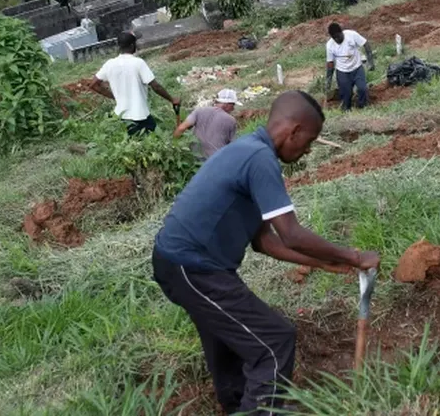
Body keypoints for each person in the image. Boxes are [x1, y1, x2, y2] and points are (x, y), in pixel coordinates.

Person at [153, 90, 380, 415]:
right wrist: (354, 257)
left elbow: (265, 241)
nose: (307, 149)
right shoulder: (259, 158)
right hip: (193, 267)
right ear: (294, 131)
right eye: (309, 140)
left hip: (181, 264)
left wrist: (325, 263)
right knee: (275, 341)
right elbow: (291, 233)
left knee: (228, 341)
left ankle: (237, 407)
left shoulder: (245, 150)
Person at [90, 31, 180, 136]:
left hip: (121, 117)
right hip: (140, 116)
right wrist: (172, 99)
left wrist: (114, 97)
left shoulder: (109, 64)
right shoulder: (138, 63)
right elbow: (155, 86)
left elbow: (93, 84)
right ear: (133, 45)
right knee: (158, 142)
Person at [173, 89, 240, 159]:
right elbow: (233, 146)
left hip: (193, 158)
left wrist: (174, 146)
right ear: (227, 104)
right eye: (233, 105)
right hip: (214, 160)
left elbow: (181, 128)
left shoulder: (199, 111)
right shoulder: (231, 120)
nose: (233, 109)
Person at [325, 22, 374, 111]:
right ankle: (347, 109)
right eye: (334, 38)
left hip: (357, 68)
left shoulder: (351, 35)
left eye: (338, 36)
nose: (337, 39)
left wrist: (371, 62)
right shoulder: (329, 45)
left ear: (341, 32)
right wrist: (328, 81)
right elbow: (330, 64)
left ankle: (362, 107)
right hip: (342, 72)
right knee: (346, 95)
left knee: (362, 89)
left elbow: (366, 44)